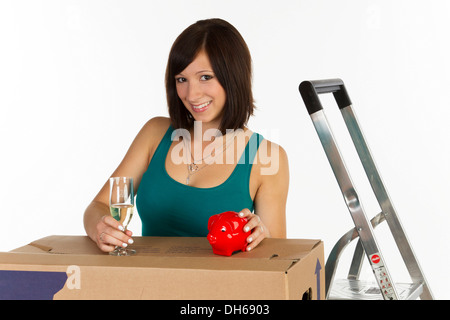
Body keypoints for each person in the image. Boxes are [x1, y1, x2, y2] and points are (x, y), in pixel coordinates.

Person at [83, 18, 289, 253]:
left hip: (220, 289)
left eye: (205, 77)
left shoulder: (266, 156)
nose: (192, 94)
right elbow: (99, 206)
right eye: (182, 80)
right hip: (144, 285)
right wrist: (100, 228)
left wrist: (262, 235)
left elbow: (277, 259)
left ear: (233, 76)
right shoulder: (154, 134)